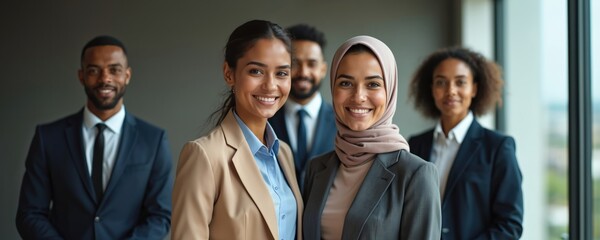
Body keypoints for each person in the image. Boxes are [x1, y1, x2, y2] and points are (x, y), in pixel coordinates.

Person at [15, 35, 173, 239]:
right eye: (94, 70)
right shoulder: (48, 138)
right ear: (81, 76)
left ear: (127, 75)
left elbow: (160, 216)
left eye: (114, 70)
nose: (105, 78)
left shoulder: (153, 140)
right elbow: (30, 214)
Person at [171, 20, 303, 240]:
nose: (270, 85)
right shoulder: (205, 155)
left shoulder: (284, 153)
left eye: (281, 73)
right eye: (256, 71)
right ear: (229, 73)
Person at [302, 35, 441, 239]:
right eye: (345, 83)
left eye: (373, 84)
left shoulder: (415, 174)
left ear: (390, 90)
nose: (358, 96)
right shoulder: (317, 168)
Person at [408, 46, 523, 239]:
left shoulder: (498, 148)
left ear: (474, 88)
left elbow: (509, 225)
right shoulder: (415, 145)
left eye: (460, 82)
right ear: (431, 89)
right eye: (441, 82)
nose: (450, 91)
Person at [269, 24, 336, 188]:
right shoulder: (264, 120)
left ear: (323, 69)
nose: (304, 73)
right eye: (295, 63)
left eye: (312, 64)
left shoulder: (344, 122)